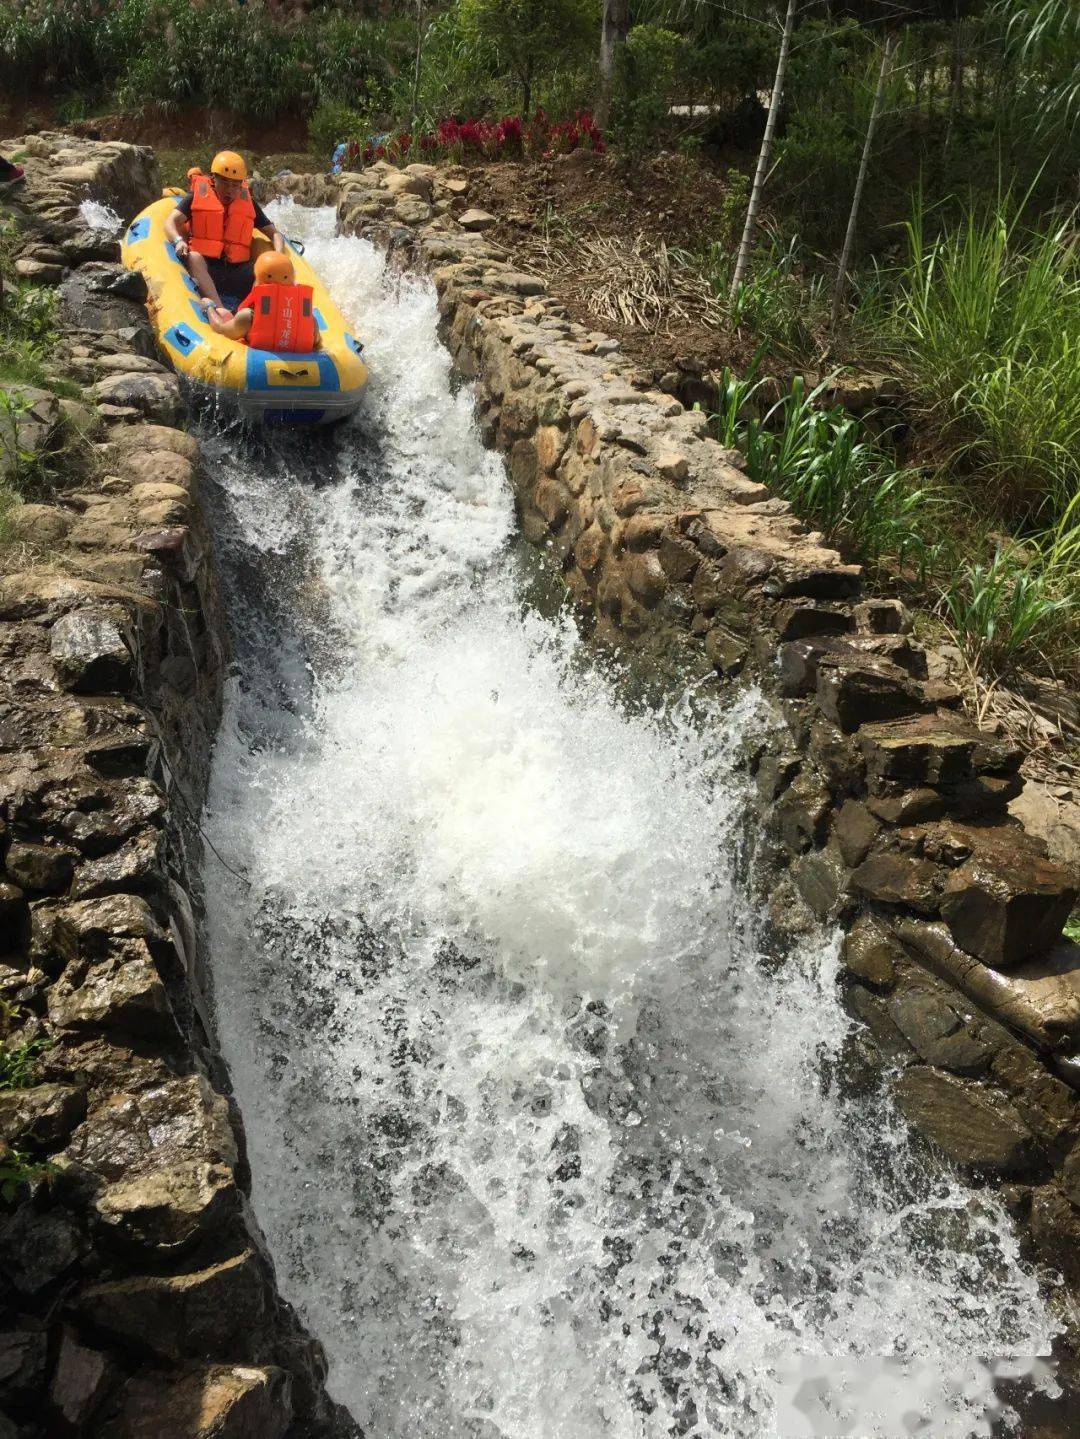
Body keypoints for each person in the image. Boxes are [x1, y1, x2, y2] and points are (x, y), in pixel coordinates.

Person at [164, 151, 284, 321]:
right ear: (214, 179)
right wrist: (178, 241)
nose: (229, 190)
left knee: (264, 267)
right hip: (208, 269)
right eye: (225, 183)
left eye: (235, 185)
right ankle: (221, 310)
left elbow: (274, 233)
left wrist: (278, 255)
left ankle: (256, 313)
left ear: (241, 184)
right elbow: (170, 222)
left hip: (239, 272)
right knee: (194, 257)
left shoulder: (248, 202)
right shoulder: (196, 196)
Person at [200, 249, 319, 352]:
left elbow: (221, 329)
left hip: (254, 365)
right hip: (305, 368)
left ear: (258, 282)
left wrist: (209, 308)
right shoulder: (310, 319)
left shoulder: (247, 317)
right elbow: (316, 342)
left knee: (224, 314)